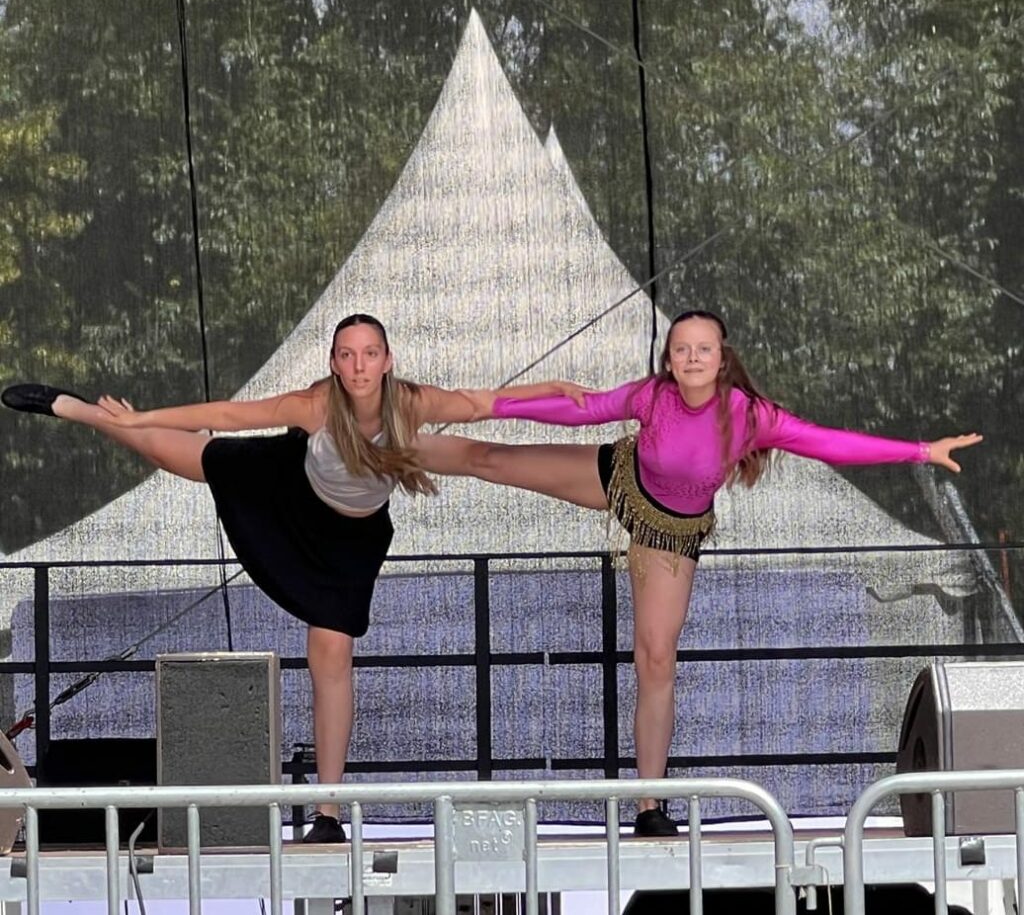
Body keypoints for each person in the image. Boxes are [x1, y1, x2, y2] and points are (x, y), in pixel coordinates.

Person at [1, 313, 576, 845]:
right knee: (182, 456)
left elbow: (484, 403)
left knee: (333, 654)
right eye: (347, 355)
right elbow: (230, 415)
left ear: (387, 360)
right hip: (288, 489)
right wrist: (140, 417)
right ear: (334, 363)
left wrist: (552, 388)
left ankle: (327, 814)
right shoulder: (316, 405)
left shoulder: (411, 402)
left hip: (348, 539)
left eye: (369, 353)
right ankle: (80, 411)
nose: (358, 366)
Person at [413, 309, 983, 837]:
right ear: (669, 359)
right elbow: (582, 409)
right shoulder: (652, 396)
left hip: (671, 533)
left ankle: (649, 805)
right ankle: (387, 448)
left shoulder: (749, 415)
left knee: (656, 657)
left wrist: (920, 451)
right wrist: (491, 405)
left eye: (703, 349)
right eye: (681, 349)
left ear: (721, 357)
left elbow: (827, 443)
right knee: (491, 460)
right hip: (620, 480)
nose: (691, 358)